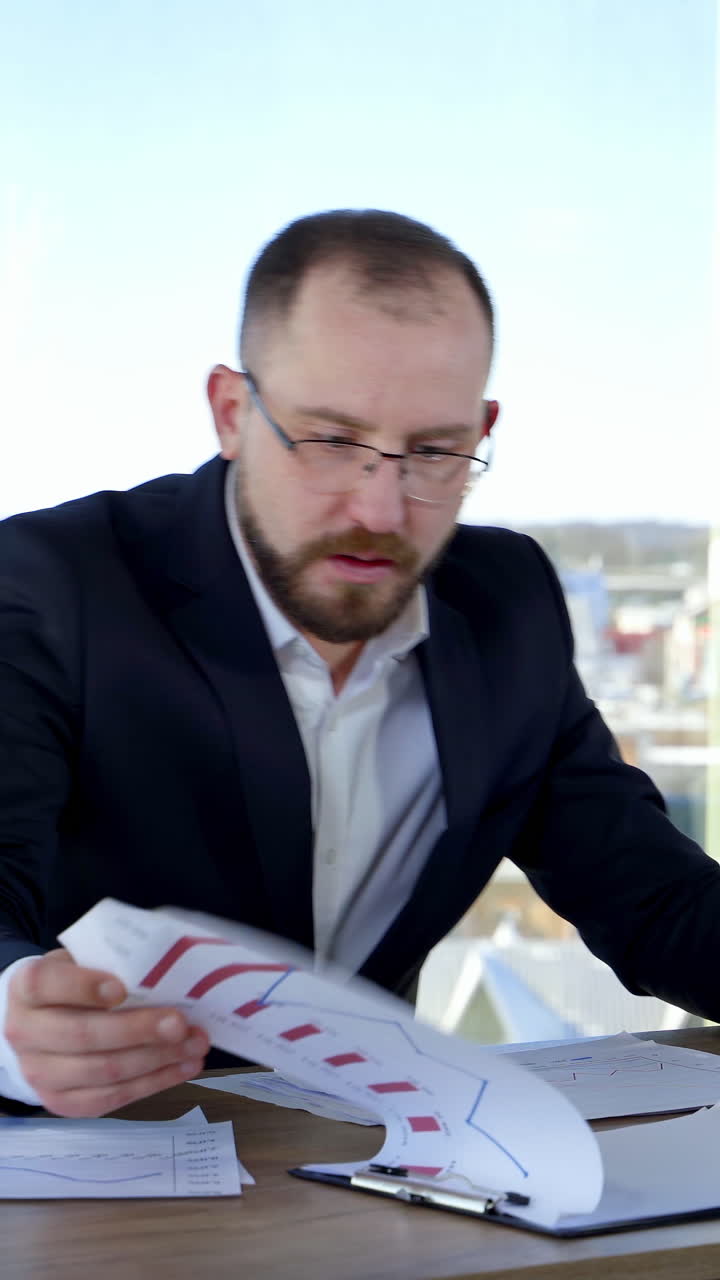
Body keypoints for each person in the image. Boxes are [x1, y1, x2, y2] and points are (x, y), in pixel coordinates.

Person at [1, 209, 719, 1120]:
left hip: (373, 1184)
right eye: (333, 440)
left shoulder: (508, 606)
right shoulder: (53, 588)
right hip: (84, 1194)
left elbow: (650, 898)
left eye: (433, 450)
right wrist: (12, 1020)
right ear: (231, 412)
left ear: (484, 426)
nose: (381, 509)